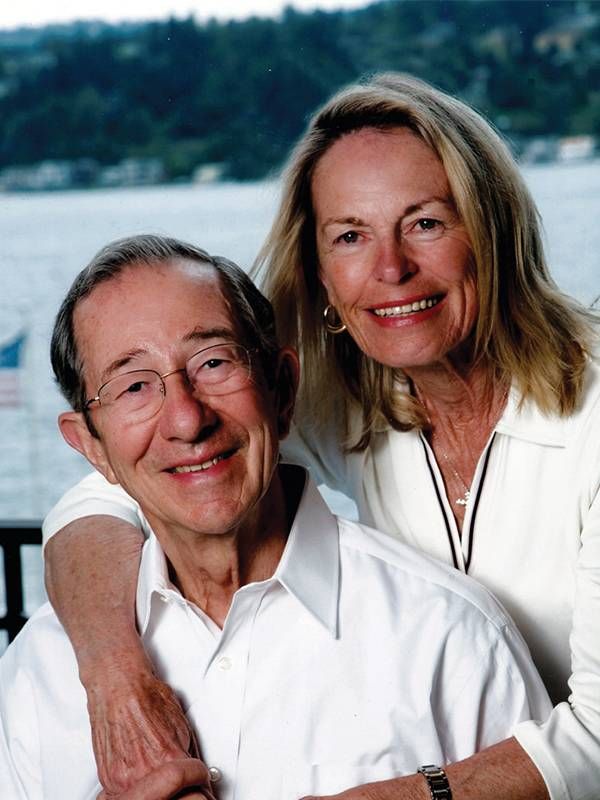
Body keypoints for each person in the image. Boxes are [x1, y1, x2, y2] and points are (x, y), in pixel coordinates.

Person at [42, 74, 600, 800]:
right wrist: (114, 677)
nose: (391, 269)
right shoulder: (351, 401)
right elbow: (107, 495)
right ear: (322, 276)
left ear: (492, 232)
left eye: (426, 222)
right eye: (350, 237)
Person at [0, 235, 551, 800]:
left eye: (213, 362)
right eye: (134, 385)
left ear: (283, 390)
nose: (186, 420)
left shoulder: (450, 637)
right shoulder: (41, 667)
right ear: (91, 447)